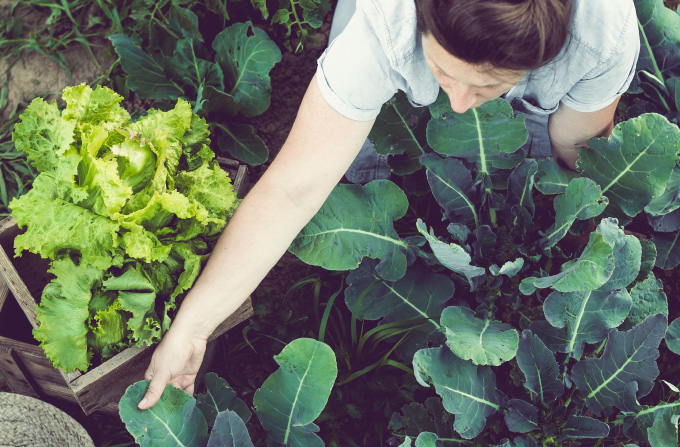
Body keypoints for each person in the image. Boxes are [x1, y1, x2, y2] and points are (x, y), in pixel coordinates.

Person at [137, 0, 640, 410]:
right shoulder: (384, 26)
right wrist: (192, 325)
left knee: (530, 158)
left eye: (489, 85)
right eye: (445, 72)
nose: (461, 103)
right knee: (358, 170)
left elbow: (575, 152)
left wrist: (575, 241)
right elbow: (294, 188)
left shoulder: (603, 34)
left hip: (555, 82)